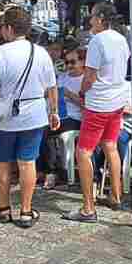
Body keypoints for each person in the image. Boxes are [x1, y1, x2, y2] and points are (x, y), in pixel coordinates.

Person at [0, 6, 58, 228]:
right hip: (34, 115)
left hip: (5, 116)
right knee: (27, 162)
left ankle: (4, 208)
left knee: (3, 163)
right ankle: (26, 210)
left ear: (7, 28)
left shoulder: (0, 53)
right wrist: (53, 111)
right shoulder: (41, 52)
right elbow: (52, 86)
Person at [63, 2, 131, 221]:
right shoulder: (121, 39)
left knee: (83, 152)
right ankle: (116, 195)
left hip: (99, 103)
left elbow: (89, 77)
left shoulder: (97, 41)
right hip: (117, 100)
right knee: (110, 146)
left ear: (101, 18)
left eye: (92, 17)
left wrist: (82, 91)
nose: (90, 21)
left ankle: (88, 208)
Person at [42, 47, 85, 188]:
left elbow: (88, 106)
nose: (69, 66)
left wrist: (69, 95)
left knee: (45, 131)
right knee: (37, 130)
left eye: (72, 62)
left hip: (76, 118)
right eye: (66, 63)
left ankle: (53, 172)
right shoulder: (62, 77)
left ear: (83, 61)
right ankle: (49, 170)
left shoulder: (86, 80)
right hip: (59, 115)